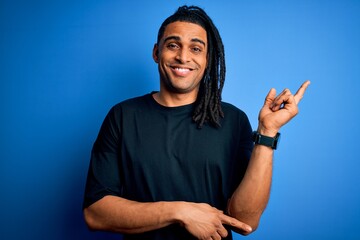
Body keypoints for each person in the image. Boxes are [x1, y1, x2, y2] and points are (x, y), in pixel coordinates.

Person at [83, 5, 310, 240]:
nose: (183, 56)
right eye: (173, 45)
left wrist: (267, 132)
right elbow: (95, 213)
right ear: (156, 52)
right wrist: (180, 211)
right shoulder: (122, 116)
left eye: (195, 48)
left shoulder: (233, 121)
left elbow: (245, 221)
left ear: (207, 58)